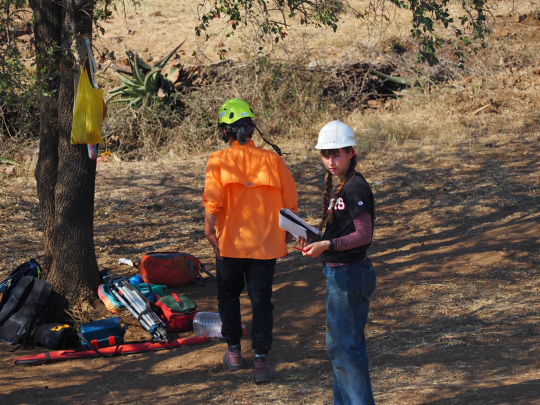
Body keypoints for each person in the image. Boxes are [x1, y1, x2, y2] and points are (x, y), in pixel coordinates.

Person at [202, 98, 298, 383]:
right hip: (265, 246)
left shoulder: (218, 160)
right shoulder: (273, 160)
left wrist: (210, 231)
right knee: (261, 300)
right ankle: (261, 360)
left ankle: (233, 352)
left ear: (225, 132)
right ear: (251, 130)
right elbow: (290, 202)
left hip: (230, 244)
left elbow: (213, 203)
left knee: (228, 295)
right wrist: (289, 232)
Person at [298, 120, 376, 404]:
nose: (330, 161)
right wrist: (314, 241)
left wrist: (327, 245)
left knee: (344, 351)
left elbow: (363, 235)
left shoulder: (355, 188)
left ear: (351, 153)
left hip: (349, 275)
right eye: (325, 155)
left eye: (336, 154)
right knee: (343, 351)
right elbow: (342, 230)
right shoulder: (341, 185)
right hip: (341, 274)